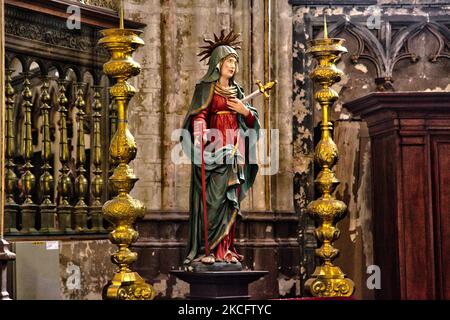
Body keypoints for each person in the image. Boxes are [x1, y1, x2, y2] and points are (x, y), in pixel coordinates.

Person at [181, 30, 260, 269]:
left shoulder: (238, 92)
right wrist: (200, 130)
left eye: (235, 62)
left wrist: (244, 111)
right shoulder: (205, 89)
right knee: (213, 201)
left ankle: (226, 250)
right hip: (213, 150)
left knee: (230, 200)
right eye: (229, 62)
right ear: (218, 64)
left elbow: (251, 120)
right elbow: (198, 114)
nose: (232, 66)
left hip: (234, 150)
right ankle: (208, 249)